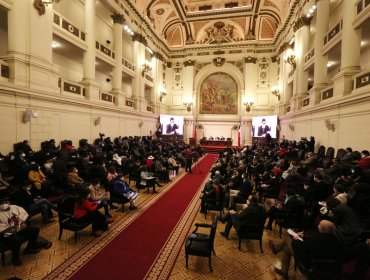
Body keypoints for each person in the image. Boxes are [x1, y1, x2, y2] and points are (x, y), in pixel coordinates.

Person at [269, 220, 341, 280]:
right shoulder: (333, 238)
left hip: (307, 259)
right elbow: (313, 242)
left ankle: (276, 249)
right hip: (315, 258)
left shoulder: (320, 239)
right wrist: (304, 236)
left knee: (287, 238)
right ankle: (284, 271)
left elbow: (303, 248)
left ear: (323, 229)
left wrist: (296, 239)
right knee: (285, 248)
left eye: (319, 224)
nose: (318, 225)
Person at [0, 195, 43, 265]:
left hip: (19, 228)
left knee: (35, 229)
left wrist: (24, 223)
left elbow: (23, 215)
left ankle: (30, 248)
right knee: (16, 240)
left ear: (9, 202)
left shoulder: (15, 207)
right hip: (7, 233)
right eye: (1, 203)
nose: (4, 204)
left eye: (5, 202)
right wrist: (9, 229)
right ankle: (15, 259)